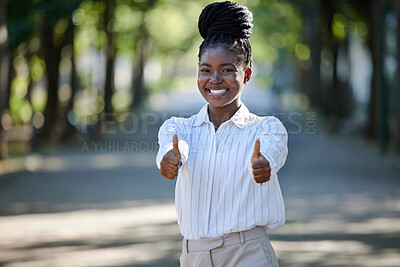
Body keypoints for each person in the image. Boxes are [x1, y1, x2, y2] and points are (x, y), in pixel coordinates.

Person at [156, 1, 288, 266]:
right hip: (194, 256)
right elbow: (173, 150)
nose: (214, 79)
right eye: (206, 70)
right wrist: (170, 161)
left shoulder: (266, 128)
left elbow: (272, 153)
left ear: (246, 74)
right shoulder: (177, 128)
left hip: (248, 254)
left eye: (227, 70)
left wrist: (265, 165)